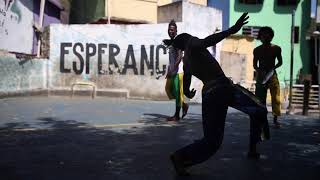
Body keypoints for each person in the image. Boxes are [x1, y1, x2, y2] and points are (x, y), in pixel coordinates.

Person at [163, 13, 270, 176]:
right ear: (187, 40)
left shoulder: (187, 61)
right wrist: (233, 29)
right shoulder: (193, 43)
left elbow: (186, 87)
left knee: (212, 141)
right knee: (258, 109)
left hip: (210, 95)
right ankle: (253, 148)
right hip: (222, 88)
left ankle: (181, 157)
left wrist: (188, 93)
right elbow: (210, 40)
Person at [253, 26, 283, 128]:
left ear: (271, 37)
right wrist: (259, 71)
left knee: (276, 98)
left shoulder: (277, 49)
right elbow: (254, 65)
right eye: (263, 36)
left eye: (268, 36)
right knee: (260, 99)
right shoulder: (256, 50)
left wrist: (273, 68)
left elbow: (280, 62)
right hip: (261, 76)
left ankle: (275, 120)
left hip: (272, 76)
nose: (265, 38)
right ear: (260, 37)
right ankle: (262, 119)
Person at [164, 20, 189, 122]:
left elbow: (179, 57)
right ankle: (184, 105)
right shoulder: (172, 41)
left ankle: (176, 115)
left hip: (178, 72)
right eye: (169, 29)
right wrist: (169, 70)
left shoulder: (178, 41)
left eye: (172, 30)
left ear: (176, 31)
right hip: (172, 70)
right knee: (168, 90)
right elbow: (172, 59)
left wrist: (173, 69)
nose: (170, 31)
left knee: (177, 93)